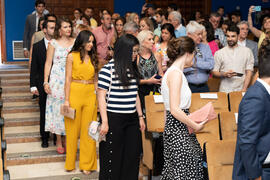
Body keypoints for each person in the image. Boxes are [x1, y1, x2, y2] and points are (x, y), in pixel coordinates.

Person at [98, 34, 145, 180]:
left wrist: (140, 117)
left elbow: (135, 94)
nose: (135, 54)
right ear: (124, 50)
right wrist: (105, 122)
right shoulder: (108, 70)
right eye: (133, 51)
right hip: (114, 118)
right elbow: (101, 97)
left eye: (137, 51)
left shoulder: (132, 68)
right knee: (113, 158)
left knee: (131, 157)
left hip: (132, 119)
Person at [161, 36, 204, 180]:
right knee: (184, 172)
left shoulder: (174, 72)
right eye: (194, 54)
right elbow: (174, 109)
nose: (194, 58)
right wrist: (195, 126)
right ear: (187, 53)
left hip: (176, 127)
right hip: (179, 129)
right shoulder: (175, 74)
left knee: (180, 171)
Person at [232, 39, 270, 180]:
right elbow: (247, 142)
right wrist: (256, 176)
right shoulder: (255, 97)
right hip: (260, 172)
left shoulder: (264, 93)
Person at [63, 30, 98, 174]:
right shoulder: (72, 56)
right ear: (81, 41)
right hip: (75, 92)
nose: (91, 44)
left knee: (89, 131)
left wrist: (99, 99)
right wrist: (66, 100)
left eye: (92, 42)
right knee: (72, 131)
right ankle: (70, 163)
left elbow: (96, 81)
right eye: (88, 41)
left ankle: (86, 165)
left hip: (90, 94)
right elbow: (67, 79)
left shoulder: (94, 57)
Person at [43, 17, 75, 154]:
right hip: (56, 80)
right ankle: (59, 140)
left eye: (69, 26)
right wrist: (45, 81)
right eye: (65, 27)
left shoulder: (75, 42)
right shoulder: (53, 43)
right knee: (57, 110)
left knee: (68, 109)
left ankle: (69, 138)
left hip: (71, 78)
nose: (69, 29)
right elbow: (48, 63)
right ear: (60, 30)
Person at [30, 20, 56, 148]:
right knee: (44, 111)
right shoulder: (37, 46)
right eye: (51, 28)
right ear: (44, 30)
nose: (53, 30)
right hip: (42, 83)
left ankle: (57, 137)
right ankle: (44, 138)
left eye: (54, 27)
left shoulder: (59, 44)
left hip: (57, 83)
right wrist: (33, 85)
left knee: (57, 111)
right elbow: (33, 67)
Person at [212, 25, 254, 93]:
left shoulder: (247, 51)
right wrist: (224, 74)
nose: (230, 39)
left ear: (238, 35)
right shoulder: (219, 53)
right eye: (228, 36)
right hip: (224, 90)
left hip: (241, 89)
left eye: (233, 36)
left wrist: (244, 89)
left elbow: (249, 72)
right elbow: (214, 72)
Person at [137, 30, 163, 111]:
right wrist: (148, 81)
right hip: (141, 92)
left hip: (156, 91)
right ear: (142, 41)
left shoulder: (157, 55)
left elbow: (161, 73)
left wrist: (162, 79)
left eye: (152, 39)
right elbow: (133, 80)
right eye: (149, 39)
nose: (153, 42)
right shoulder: (136, 58)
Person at [185, 21, 214, 93]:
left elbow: (210, 65)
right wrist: (202, 65)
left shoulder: (205, 48)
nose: (201, 37)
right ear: (189, 34)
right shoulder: (183, 48)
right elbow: (181, 68)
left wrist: (194, 63)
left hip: (204, 87)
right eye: (198, 34)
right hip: (187, 87)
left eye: (201, 34)